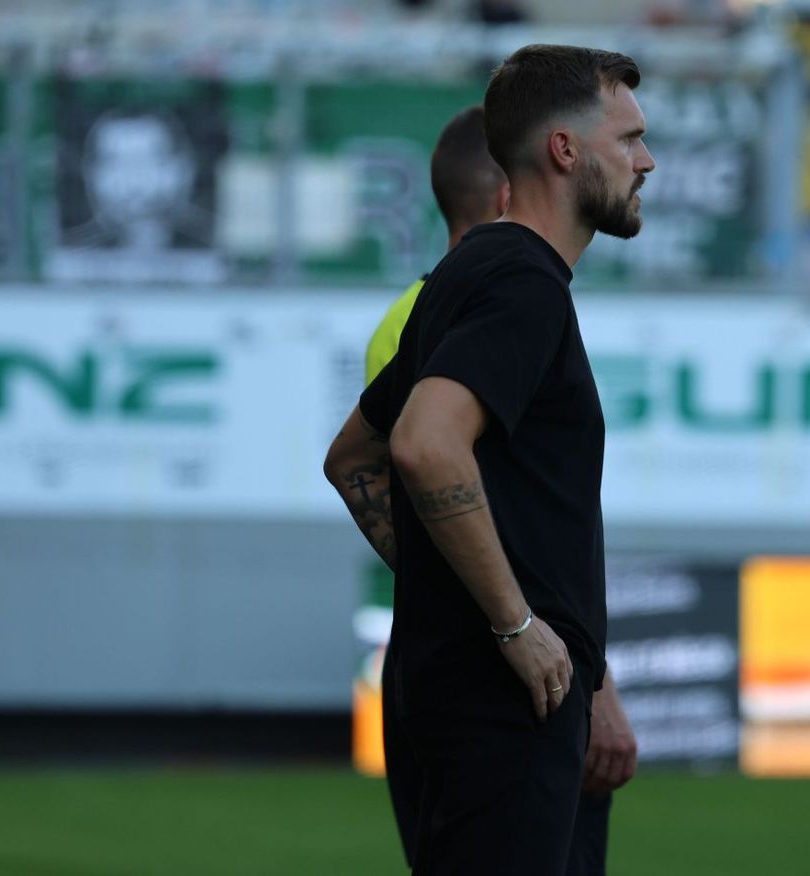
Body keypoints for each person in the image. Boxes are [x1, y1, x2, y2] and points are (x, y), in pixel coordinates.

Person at [325, 44, 654, 875]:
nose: (646, 161)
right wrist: (513, 623)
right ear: (565, 151)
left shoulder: (468, 271)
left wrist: (455, 590)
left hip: (458, 693)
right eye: (630, 140)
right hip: (506, 706)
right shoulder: (522, 283)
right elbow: (421, 444)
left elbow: (352, 456)